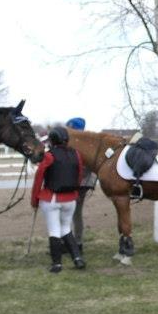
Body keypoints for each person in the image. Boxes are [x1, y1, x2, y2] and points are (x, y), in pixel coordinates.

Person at [31, 126, 86, 273]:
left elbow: (39, 178)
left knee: (54, 230)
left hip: (52, 198)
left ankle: (57, 264)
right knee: (66, 229)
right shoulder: (76, 154)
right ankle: (77, 258)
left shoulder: (49, 156)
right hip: (71, 199)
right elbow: (79, 175)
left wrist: (34, 200)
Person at [65, 117, 97, 252]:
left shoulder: (83, 144)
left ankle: (77, 243)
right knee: (71, 212)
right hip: (77, 182)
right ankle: (72, 241)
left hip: (80, 183)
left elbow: (84, 168)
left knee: (75, 213)